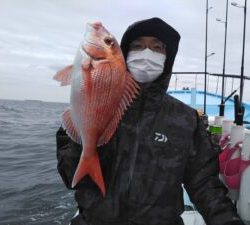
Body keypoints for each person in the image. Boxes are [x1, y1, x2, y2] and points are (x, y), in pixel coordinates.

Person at [56, 17, 244, 225]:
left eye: (157, 47)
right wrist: (82, 128)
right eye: (138, 46)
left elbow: (204, 185)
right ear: (124, 53)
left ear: (167, 57)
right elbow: (70, 176)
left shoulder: (187, 119)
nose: (147, 53)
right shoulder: (100, 103)